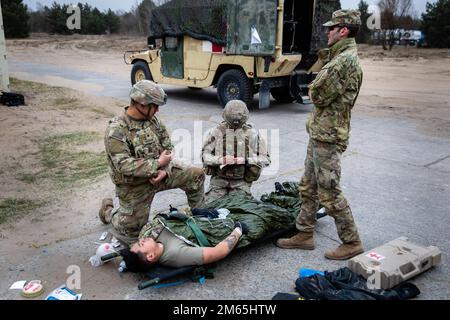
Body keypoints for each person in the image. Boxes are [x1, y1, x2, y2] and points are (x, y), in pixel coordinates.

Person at [276, 9, 364, 260]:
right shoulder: (339, 57)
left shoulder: (343, 61)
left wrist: (316, 83)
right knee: (309, 186)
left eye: (331, 28)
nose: (327, 31)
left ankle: (352, 241)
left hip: (328, 136)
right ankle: (305, 233)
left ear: (344, 30)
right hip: (321, 133)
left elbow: (316, 94)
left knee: (329, 190)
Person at [99, 80, 205, 242]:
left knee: (196, 175)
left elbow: (168, 149)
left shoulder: (153, 120)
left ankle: (200, 218)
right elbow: (123, 165)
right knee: (132, 230)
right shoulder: (117, 129)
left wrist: (165, 170)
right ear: (141, 104)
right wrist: (157, 165)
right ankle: (109, 212)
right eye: (154, 105)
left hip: (162, 174)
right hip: (135, 185)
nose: (157, 110)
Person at [201, 100, 270, 203]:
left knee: (239, 209)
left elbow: (266, 159)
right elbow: (204, 155)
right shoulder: (216, 132)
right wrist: (220, 160)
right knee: (210, 208)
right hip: (219, 180)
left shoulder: (252, 134)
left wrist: (245, 160)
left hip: (241, 181)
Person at [122, 217, 250, 271]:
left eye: (139, 242)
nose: (142, 240)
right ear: (150, 256)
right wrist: (238, 230)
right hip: (216, 225)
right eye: (141, 244)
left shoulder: (152, 238)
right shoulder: (176, 255)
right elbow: (218, 252)